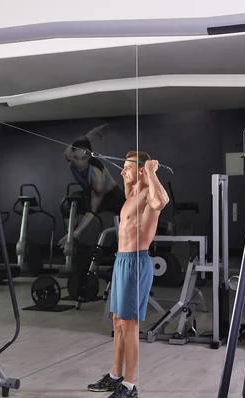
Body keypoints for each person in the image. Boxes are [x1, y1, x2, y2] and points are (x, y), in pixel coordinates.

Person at [87, 151, 169, 398]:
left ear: (142, 171)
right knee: (117, 322)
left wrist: (152, 172)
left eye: (127, 168)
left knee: (129, 325)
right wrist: (132, 171)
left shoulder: (149, 195)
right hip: (121, 261)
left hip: (136, 263)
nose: (122, 172)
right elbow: (128, 184)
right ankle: (115, 376)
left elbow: (161, 202)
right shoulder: (132, 193)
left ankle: (130, 385)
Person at [58, 124, 126, 248]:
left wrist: (78, 232)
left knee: (134, 217)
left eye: (83, 158)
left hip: (112, 197)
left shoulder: (97, 176)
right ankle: (71, 239)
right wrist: (96, 131)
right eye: (76, 158)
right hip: (90, 192)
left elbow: (92, 210)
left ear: (89, 156)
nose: (79, 163)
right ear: (71, 156)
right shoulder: (69, 154)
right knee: (65, 205)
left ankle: (168, 228)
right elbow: (85, 139)